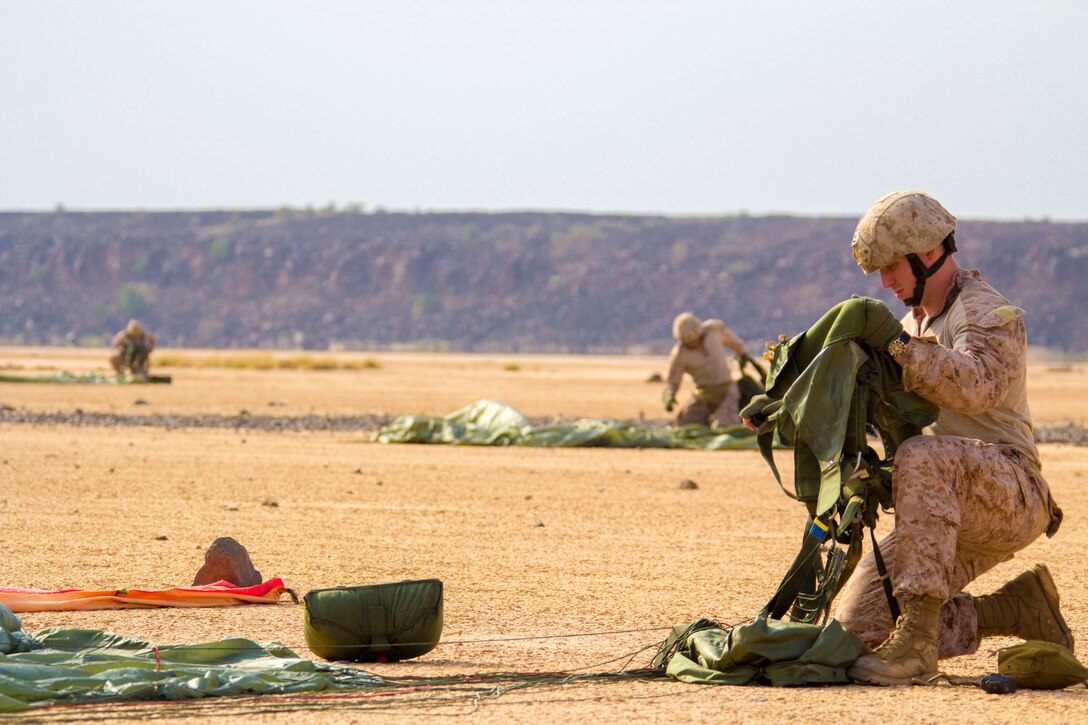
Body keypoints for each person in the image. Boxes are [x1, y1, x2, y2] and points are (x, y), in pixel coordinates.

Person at [807, 190, 1068, 685]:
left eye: (891, 268)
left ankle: (919, 642)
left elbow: (978, 386)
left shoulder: (987, 313)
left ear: (928, 253)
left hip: (1009, 491)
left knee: (921, 455)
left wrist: (899, 348)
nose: (885, 282)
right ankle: (1016, 610)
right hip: (939, 508)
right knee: (854, 637)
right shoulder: (911, 324)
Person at [663, 312, 749, 427]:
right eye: (690, 343)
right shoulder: (679, 354)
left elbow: (733, 342)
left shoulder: (713, 331)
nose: (695, 344)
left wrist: (742, 353)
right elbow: (673, 378)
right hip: (703, 396)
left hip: (727, 392)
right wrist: (669, 395)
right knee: (683, 424)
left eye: (697, 339)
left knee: (724, 426)